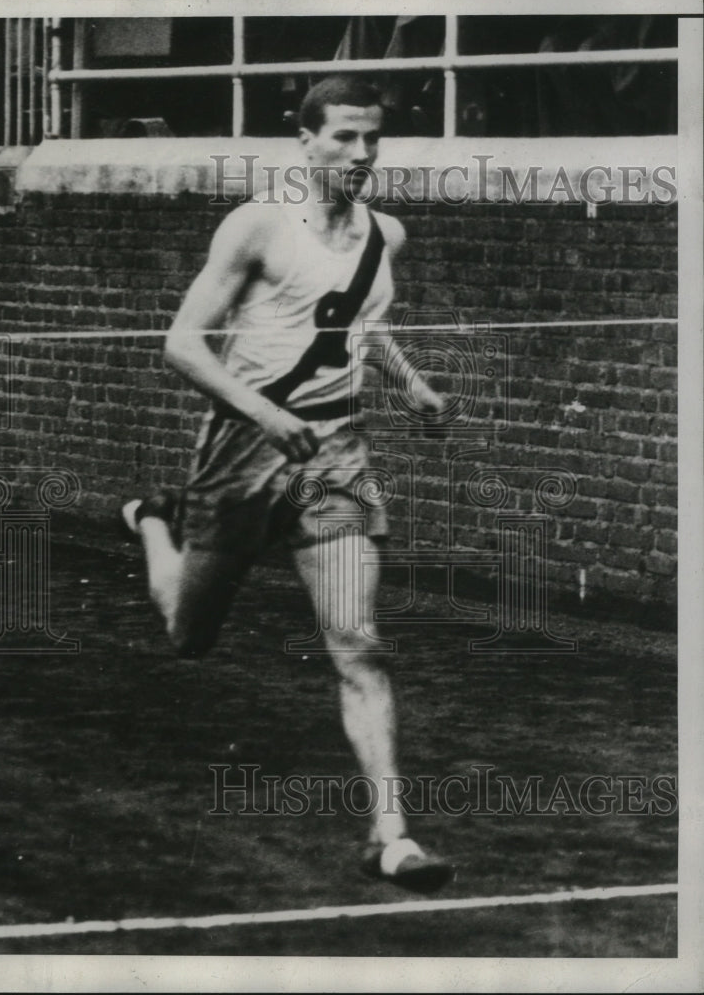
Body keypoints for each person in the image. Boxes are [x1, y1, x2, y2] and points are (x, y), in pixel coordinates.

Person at [123, 75, 454, 889]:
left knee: (358, 643)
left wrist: (410, 384)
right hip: (242, 449)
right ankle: (151, 523)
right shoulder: (259, 226)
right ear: (303, 138)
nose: (360, 153)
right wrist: (267, 417)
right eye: (342, 137)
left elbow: (363, 323)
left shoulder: (386, 235)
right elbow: (183, 347)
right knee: (188, 637)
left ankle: (392, 835)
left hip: (336, 458)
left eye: (371, 138)